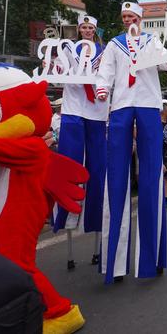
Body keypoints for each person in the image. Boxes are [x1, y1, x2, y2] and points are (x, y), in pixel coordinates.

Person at [96, 1, 167, 284]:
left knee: (151, 177)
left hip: (147, 104)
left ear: (141, 18)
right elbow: (105, 70)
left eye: (132, 16)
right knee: (116, 178)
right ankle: (116, 262)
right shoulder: (114, 44)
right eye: (124, 16)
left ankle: (152, 257)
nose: (127, 20)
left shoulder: (151, 41)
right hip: (122, 104)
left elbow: (165, 62)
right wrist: (102, 88)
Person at [51, 14, 108, 268]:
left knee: (97, 171)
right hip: (73, 111)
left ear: (95, 30)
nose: (86, 30)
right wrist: (55, 67)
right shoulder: (67, 48)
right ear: (79, 28)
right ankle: (64, 219)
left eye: (90, 27)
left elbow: (110, 77)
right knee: (69, 168)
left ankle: (95, 225)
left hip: (96, 112)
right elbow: (57, 75)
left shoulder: (104, 51)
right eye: (83, 27)